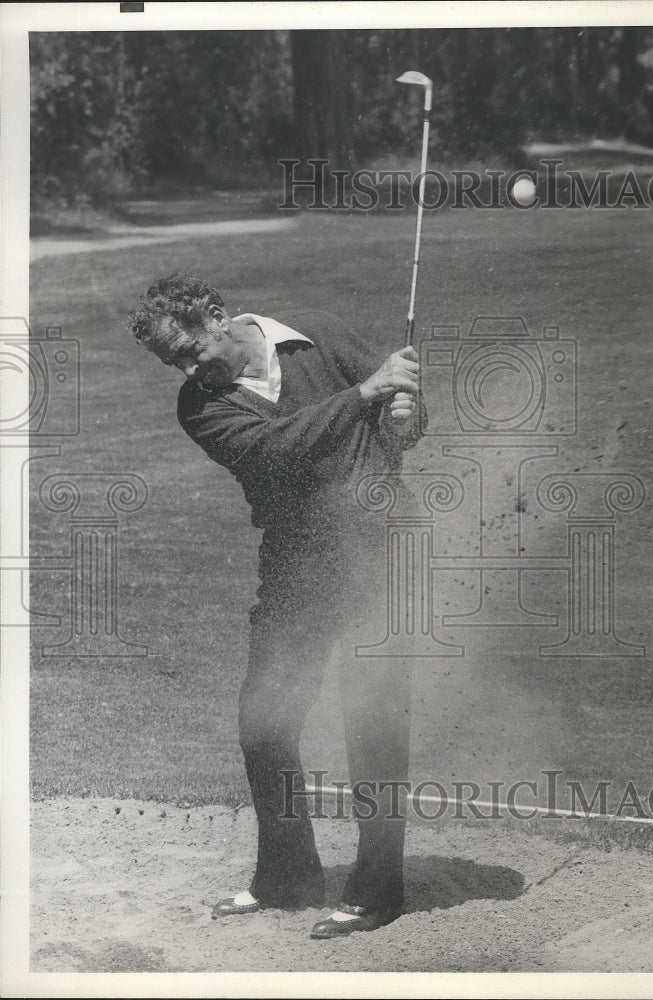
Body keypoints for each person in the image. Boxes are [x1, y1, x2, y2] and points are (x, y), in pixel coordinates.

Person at [128, 272, 425, 939]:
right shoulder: (199, 406)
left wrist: (406, 416)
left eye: (188, 347)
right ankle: (287, 878)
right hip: (297, 561)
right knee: (265, 720)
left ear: (215, 313)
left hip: (383, 550)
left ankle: (379, 890)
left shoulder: (318, 334)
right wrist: (366, 393)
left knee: (372, 714)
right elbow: (275, 451)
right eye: (170, 362)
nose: (185, 367)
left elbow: (399, 418)